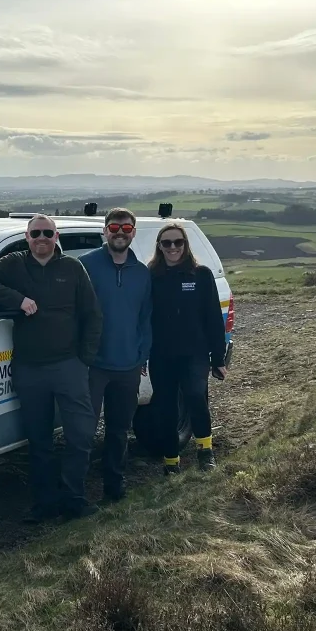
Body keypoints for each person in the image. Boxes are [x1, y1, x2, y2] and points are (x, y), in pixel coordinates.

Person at [0, 213, 104, 522]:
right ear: (27, 238)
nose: (41, 238)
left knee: (79, 436)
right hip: (29, 369)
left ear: (57, 238)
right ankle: (44, 504)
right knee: (39, 441)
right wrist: (18, 299)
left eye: (47, 233)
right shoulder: (14, 264)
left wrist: (85, 358)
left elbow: (92, 315)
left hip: (69, 366)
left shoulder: (72, 268)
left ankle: (74, 501)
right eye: (35, 233)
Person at [79, 207, 151, 502]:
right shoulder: (85, 265)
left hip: (128, 366)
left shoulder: (142, 273)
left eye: (126, 229)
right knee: (83, 430)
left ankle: (114, 486)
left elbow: (146, 318)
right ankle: (76, 492)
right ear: (104, 231)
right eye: (114, 228)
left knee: (119, 430)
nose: (120, 233)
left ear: (134, 232)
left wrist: (142, 355)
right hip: (93, 366)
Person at [147, 222, 227, 475]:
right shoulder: (150, 276)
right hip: (161, 355)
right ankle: (171, 460)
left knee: (195, 396)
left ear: (185, 245)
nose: (173, 248)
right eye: (167, 243)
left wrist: (218, 358)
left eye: (178, 242)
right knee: (167, 407)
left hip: (195, 353)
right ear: (159, 246)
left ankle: (205, 450)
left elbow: (213, 318)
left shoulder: (200, 274)